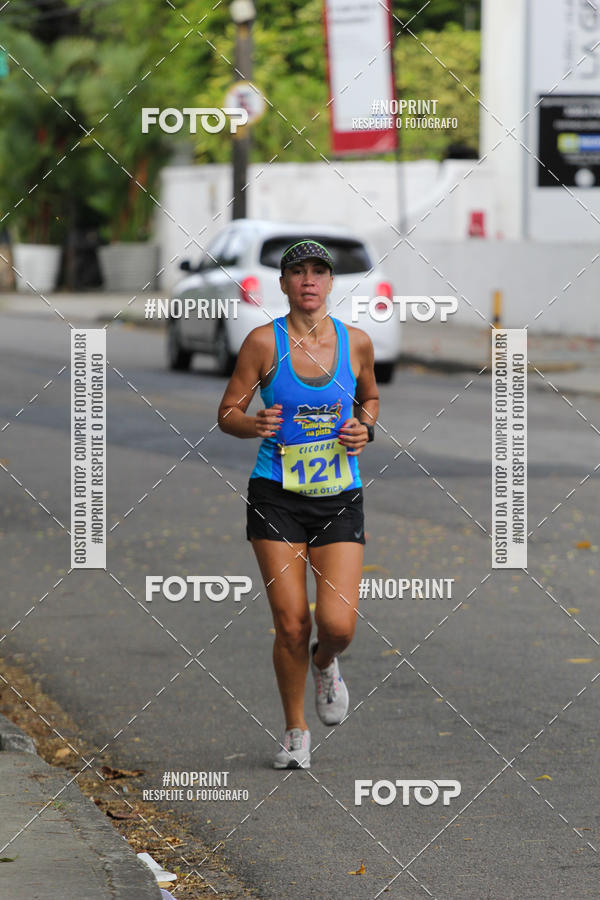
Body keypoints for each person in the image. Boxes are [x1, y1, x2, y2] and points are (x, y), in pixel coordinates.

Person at [218, 239, 379, 769]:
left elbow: (369, 400)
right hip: (276, 496)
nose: (309, 280)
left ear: (331, 283)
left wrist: (365, 428)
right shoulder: (263, 343)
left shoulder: (356, 343)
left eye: (318, 272)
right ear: (283, 284)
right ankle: (294, 732)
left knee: (338, 625)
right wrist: (251, 424)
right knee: (291, 622)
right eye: (297, 272)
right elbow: (228, 411)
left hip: (339, 496)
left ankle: (326, 663)